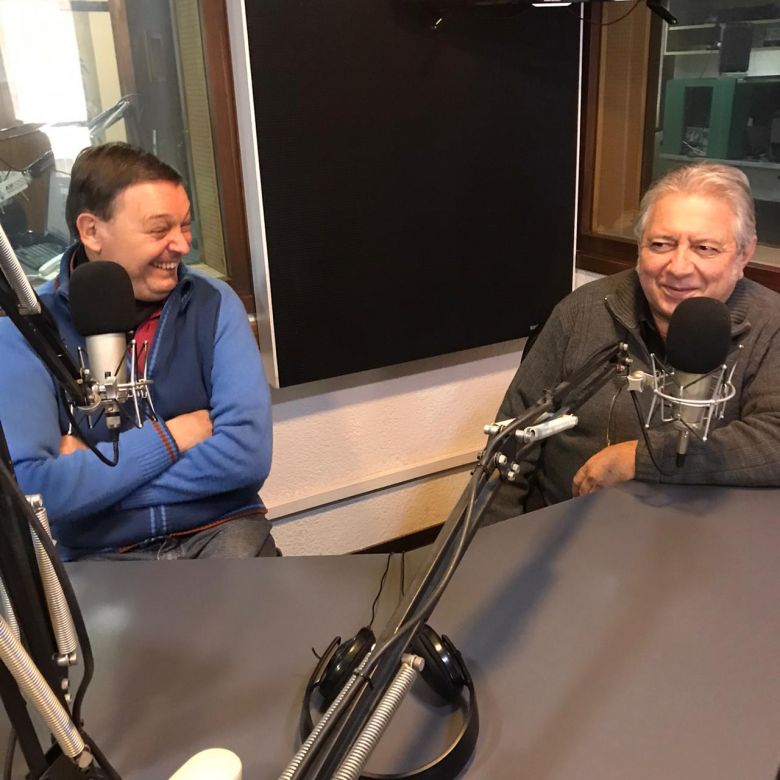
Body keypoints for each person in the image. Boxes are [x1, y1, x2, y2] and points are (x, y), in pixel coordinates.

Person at [0, 142, 275, 559]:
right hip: (103, 554)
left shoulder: (213, 302)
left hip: (222, 530)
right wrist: (172, 437)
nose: (182, 245)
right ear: (92, 231)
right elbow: (38, 492)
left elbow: (246, 457)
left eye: (185, 225)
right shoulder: (26, 329)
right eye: (159, 229)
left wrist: (95, 479)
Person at [483, 162, 780, 524]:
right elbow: (511, 441)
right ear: (640, 247)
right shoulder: (582, 311)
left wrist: (643, 459)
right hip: (568, 532)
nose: (679, 267)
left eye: (705, 248)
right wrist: (489, 547)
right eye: (660, 244)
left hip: (704, 543)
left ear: (744, 254)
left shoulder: (771, 323)